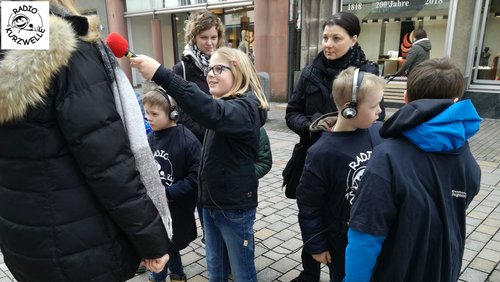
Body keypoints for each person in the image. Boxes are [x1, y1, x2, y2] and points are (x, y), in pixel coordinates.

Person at [0, 0, 170, 281]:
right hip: (83, 249)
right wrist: (151, 238)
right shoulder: (67, 53)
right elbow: (109, 165)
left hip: (26, 245)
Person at [130, 47, 269, 282]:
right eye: (209, 68)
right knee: (214, 270)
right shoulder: (225, 105)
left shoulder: (245, 108)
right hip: (210, 205)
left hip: (233, 209)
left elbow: (210, 111)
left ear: (239, 71)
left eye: (219, 68)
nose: (211, 74)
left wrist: (161, 74)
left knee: (242, 272)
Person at [345, 58, 482, 282]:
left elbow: (365, 235)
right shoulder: (466, 158)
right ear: (456, 101)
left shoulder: (387, 157)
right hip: (444, 267)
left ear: (406, 98)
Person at [284, 11, 385, 282]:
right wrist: (311, 128)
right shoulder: (310, 71)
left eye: (336, 38)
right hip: (315, 155)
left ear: (353, 39)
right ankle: (310, 271)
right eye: (325, 37)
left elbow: (378, 116)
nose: (328, 44)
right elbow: (292, 112)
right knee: (313, 215)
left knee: (340, 221)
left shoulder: (367, 75)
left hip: (352, 161)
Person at [297, 67, 385, 282]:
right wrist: (316, 245)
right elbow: (309, 204)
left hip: (378, 234)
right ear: (349, 110)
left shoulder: (380, 133)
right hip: (341, 242)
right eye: (374, 106)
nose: (380, 111)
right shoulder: (321, 153)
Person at [143, 89, 201, 282]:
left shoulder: (187, 140)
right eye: (146, 113)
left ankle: (157, 277)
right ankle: (177, 274)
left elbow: (196, 177)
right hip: (155, 208)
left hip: (175, 207)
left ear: (172, 113)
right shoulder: (150, 139)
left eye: (154, 114)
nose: (148, 118)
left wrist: (169, 193)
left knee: (164, 245)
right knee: (168, 242)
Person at [171, 11, 225, 143]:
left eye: (213, 37)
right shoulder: (181, 69)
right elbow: (180, 110)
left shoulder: (225, 65)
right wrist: (206, 132)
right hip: (194, 141)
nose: (209, 42)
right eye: (204, 37)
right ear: (194, 37)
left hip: (221, 136)